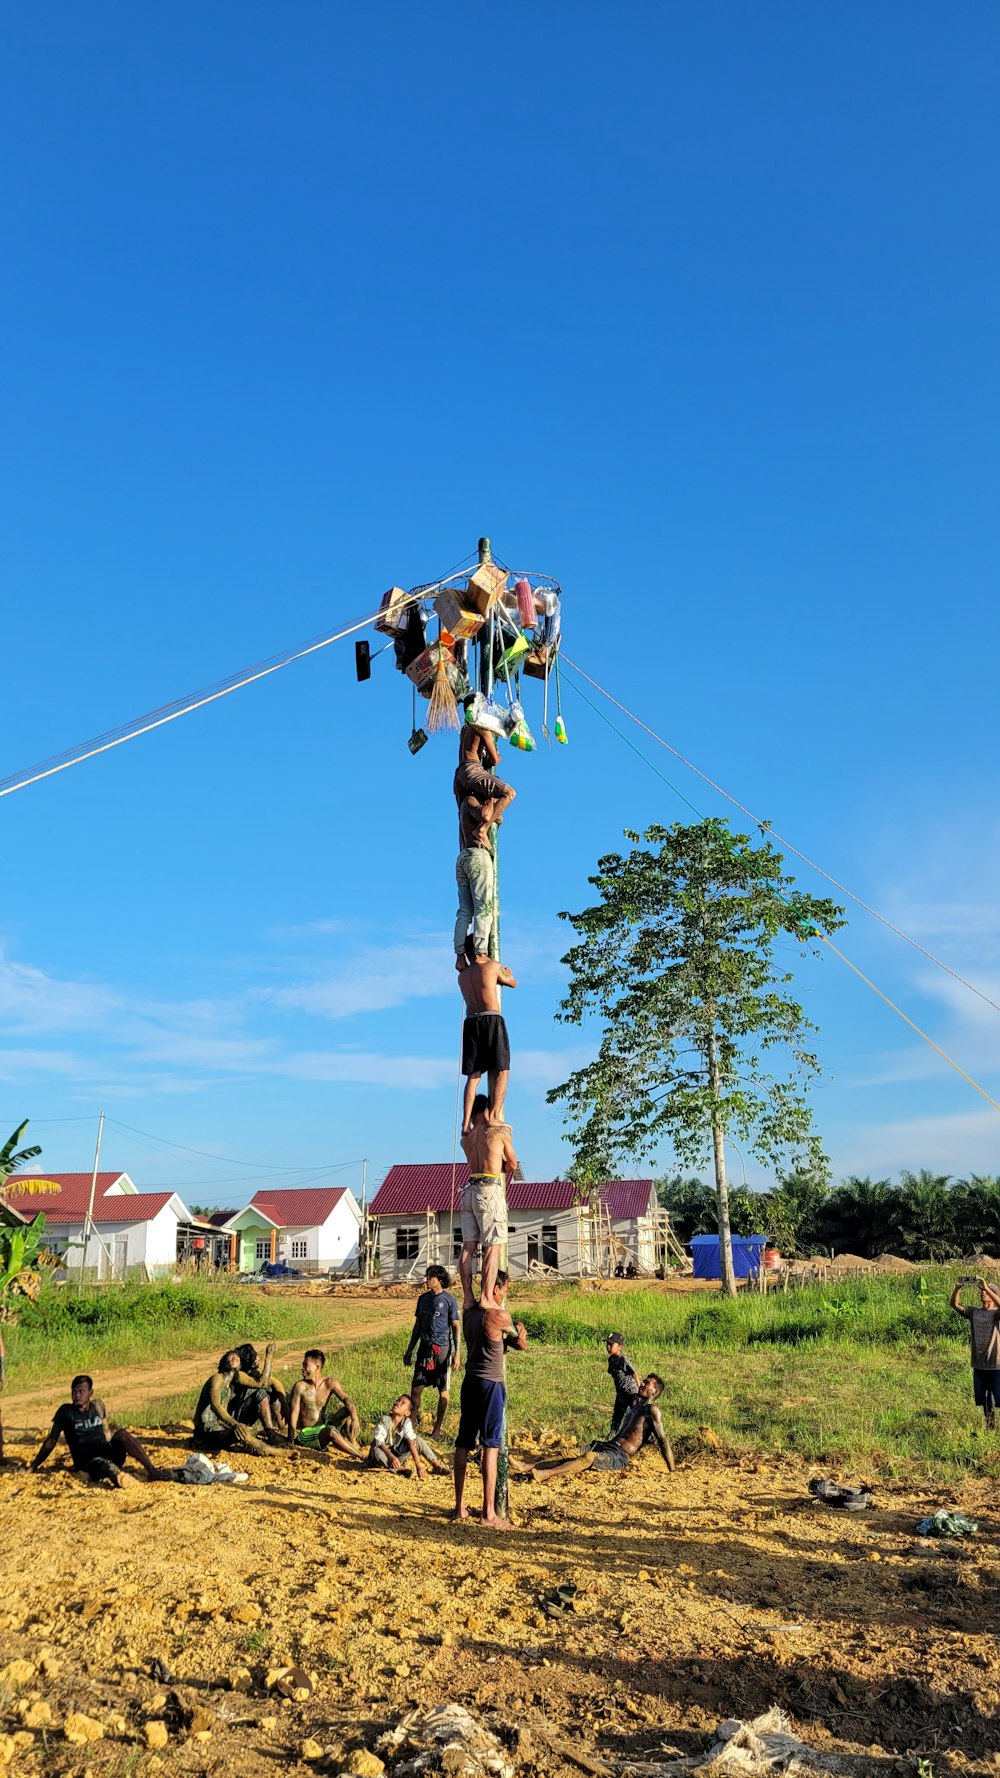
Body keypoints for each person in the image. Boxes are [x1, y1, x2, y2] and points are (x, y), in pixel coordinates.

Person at [453, 1271, 527, 1531]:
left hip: (470, 1381)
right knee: (491, 1445)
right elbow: (519, 1342)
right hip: (491, 1384)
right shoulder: (498, 1315)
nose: (505, 1294)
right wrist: (522, 1334)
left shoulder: (470, 1311)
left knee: (463, 1442)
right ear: (496, 1288)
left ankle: (459, 1506)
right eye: (505, 1289)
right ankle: (489, 1512)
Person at [512, 1375, 675, 1481]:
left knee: (588, 1457)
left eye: (647, 1383)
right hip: (609, 1445)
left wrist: (671, 1470)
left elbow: (663, 1440)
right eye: (645, 1380)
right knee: (570, 1453)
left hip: (619, 1455)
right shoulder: (636, 1406)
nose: (643, 1383)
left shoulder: (652, 1411)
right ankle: (526, 1466)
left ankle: (544, 1475)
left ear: (655, 1392)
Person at [30, 1374, 178, 1487]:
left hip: (106, 1452)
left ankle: (152, 1471)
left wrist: (114, 1445)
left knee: (122, 1434)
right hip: (88, 1462)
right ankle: (121, 1479)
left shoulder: (98, 1406)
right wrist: (33, 1466)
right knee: (106, 1466)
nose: (77, 1395)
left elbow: (106, 1432)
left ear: (90, 1392)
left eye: (81, 1391)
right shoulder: (66, 1412)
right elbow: (51, 1441)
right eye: (74, 1392)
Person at [453, 729, 515, 966]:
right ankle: (480, 953)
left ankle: (460, 955)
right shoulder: (481, 723)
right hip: (477, 855)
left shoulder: (464, 804)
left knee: (464, 911)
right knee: (508, 793)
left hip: (462, 857)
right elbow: (495, 759)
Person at [459, 1094, 518, 1309]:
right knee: (492, 1247)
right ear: (487, 1111)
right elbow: (512, 1163)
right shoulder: (498, 1132)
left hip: (468, 1191)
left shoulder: (466, 1138)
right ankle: (486, 1298)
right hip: (488, 1189)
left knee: (468, 1247)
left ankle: (467, 1297)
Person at [457, 952, 517, 1129]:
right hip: (491, 1018)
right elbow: (512, 983)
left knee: (473, 1076)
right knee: (502, 1070)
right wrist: (508, 972)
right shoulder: (493, 966)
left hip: (471, 1022)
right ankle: (493, 1116)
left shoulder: (463, 977)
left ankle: (466, 1122)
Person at [404, 1266, 460, 1437]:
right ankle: (411, 1426)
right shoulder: (422, 1299)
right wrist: (410, 1349)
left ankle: (437, 1429)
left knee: (443, 1390)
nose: (427, 1280)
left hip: (442, 1349)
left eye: (430, 1277)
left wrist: (457, 1353)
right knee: (416, 1389)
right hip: (424, 1348)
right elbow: (417, 1325)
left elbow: (456, 1327)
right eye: (427, 1276)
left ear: (439, 1280)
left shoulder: (450, 1301)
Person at [193, 1351, 274, 1457]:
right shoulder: (217, 1378)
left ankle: (267, 1441)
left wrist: (269, 1358)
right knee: (242, 1434)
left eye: (237, 1357)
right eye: (231, 1356)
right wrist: (235, 1425)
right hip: (206, 1432)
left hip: (219, 1427)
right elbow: (215, 1406)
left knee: (249, 1431)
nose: (234, 1358)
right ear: (223, 1363)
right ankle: (272, 1451)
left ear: (240, 1364)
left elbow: (261, 1384)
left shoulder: (237, 1376)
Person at [287, 1349, 364, 1457]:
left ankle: (352, 1442)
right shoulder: (300, 1387)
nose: (302, 1369)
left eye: (305, 1365)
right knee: (331, 1431)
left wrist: (355, 1418)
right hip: (307, 1434)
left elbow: (348, 1400)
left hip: (323, 1426)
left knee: (348, 1411)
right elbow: (293, 1414)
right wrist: (291, 1441)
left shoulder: (330, 1383)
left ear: (317, 1367)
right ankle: (361, 1455)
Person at [950, 1275, 1000, 1429]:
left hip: (996, 1365)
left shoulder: (997, 1314)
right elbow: (954, 1304)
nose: (983, 1292)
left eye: (987, 1291)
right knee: (984, 1400)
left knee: (999, 1398)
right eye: (982, 1291)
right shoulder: (974, 1312)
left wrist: (987, 1287)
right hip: (979, 1365)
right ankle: (990, 1427)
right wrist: (957, 1288)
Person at [366, 1394, 449, 1479]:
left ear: (407, 1413)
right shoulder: (385, 1420)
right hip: (381, 1457)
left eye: (402, 1403)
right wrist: (390, 1456)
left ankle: (436, 1465)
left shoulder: (406, 1422)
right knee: (376, 1450)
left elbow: (411, 1443)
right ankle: (400, 1469)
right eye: (398, 1401)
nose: (398, 1403)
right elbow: (379, 1441)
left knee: (417, 1440)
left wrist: (418, 1465)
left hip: (397, 1457)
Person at [230, 1341, 288, 1439]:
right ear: (249, 1361)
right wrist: (269, 1357)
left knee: (273, 1393)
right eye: (256, 1357)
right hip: (233, 1419)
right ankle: (271, 1433)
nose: (259, 1359)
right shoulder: (239, 1375)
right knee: (261, 1392)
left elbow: (275, 1382)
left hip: (243, 1414)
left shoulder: (254, 1373)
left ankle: (281, 1428)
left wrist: (284, 1403)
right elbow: (262, 1382)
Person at [605, 1332, 640, 1436]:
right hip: (621, 1393)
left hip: (631, 1392)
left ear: (619, 1347)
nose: (608, 1346)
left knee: (636, 1415)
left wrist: (639, 1390)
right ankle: (612, 1435)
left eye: (611, 1344)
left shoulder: (623, 1359)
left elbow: (634, 1373)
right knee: (617, 1415)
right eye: (607, 1344)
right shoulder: (611, 1359)